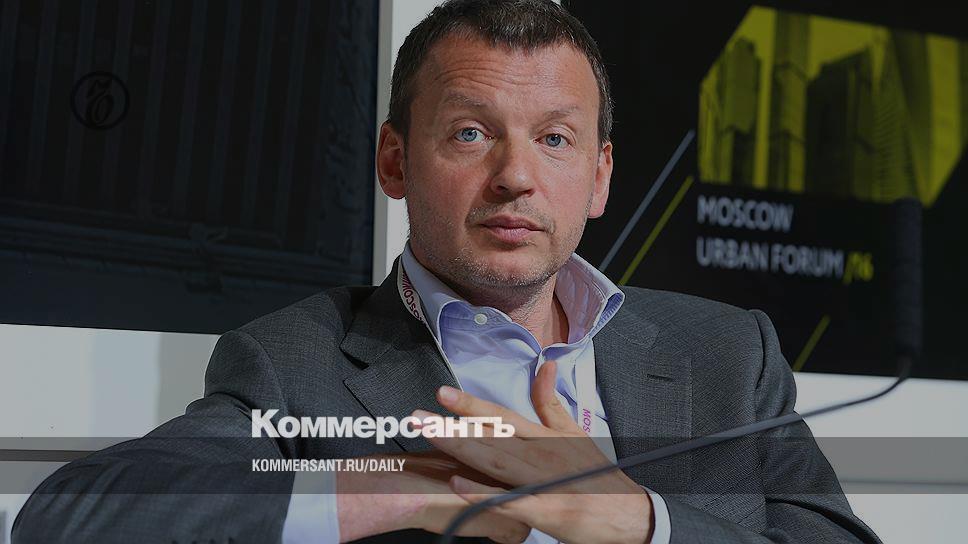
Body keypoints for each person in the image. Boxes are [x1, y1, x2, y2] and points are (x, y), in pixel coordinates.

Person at [14, 1, 881, 542]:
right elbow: (70, 518)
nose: (516, 176)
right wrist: (391, 491)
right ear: (394, 162)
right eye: (471, 133)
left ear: (600, 176)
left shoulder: (727, 353)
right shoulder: (296, 363)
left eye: (555, 138)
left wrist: (635, 519)